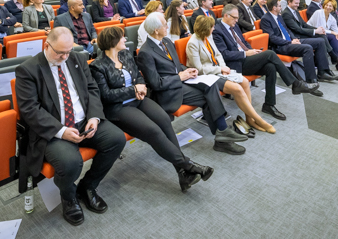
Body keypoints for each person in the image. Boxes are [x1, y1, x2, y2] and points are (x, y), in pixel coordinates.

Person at [14, 28, 126, 226]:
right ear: (46, 45)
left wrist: (94, 117)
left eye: (68, 52)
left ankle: (88, 186)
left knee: (116, 139)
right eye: (60, 53)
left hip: (84, 120)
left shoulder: (77, 59)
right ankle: (68, 195)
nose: (65, 57)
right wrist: (62, 131)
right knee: (71, 163)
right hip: (53, 129)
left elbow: (92, 89)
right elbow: (30, 109)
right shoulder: (28, 69)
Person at [89, 26, 213, 192]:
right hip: (118, 107)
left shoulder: (125, 54)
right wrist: (133, 90)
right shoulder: (98, 66)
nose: (125, 40)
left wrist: (140, 85)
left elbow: (138, 75)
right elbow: (106, 95)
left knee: (164, 120)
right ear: (113, 42)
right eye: (122, 38)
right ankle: (187, 165)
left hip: (138, 99)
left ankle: (183, 174)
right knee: (153, 130)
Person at [137, 13, 248, 155]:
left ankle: (222, 134)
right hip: (168, 92)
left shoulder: (166, 41)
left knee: (211, 85)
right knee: (210, 97)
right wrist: (180, 76)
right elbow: (156, 84)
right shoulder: (145, 52)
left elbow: (176, 66)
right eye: (165, 25)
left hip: (181, 83)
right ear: (156, 30)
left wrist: (188, 70)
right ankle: (222, 136)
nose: (168, 26)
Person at [188, 16, 274, 133]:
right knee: (237, 88)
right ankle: (259, 119)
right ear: (205, 28)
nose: (214, 29)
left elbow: (218, 54)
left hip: (218, 70)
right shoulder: (193, 43)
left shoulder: (208, 37)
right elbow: (199, 68)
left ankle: (249, 118)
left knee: (244, 81)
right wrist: (220, 69)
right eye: (212, 27)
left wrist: (224, 68)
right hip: (206, 76)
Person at [259, 0, 333, 89]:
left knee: (320, 41)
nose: (281, 7)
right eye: (279, 6)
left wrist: (294, 39)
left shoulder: (279, 16)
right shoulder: (265, 19)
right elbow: (272, 38)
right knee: (307, 48)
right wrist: (290, 41)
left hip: (291, 41)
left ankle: (322, 71)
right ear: (274, 8)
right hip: (281, 45)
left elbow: (287, 30)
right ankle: (311, 79)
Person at [283, 0, 338, 71]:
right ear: (289, 2)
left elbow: (304, 25)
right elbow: (297, 29)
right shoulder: (286, 13)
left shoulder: (295, 11)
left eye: (298, 3)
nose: (298, 5)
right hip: (296, 36)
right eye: (296, 3)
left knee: (322, 36)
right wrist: (315, 31)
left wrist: (318, 30)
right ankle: (332, 59)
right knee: (321, 39)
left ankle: (326, 67)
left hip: (301, 33)